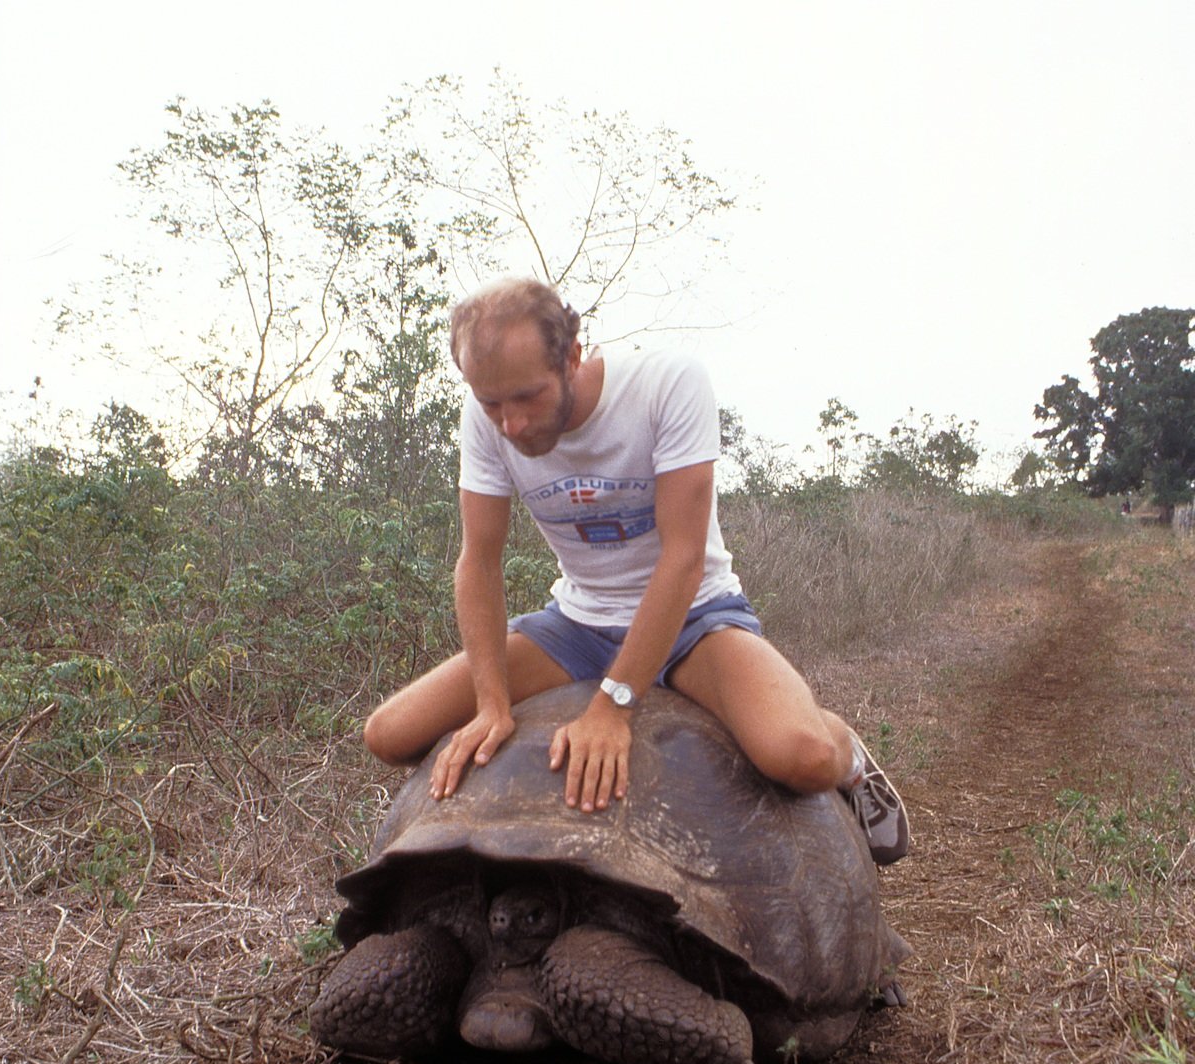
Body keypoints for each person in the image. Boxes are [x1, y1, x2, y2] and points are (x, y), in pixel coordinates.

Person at [363, 277, 909, 865]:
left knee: (801, 758)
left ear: (572, 357)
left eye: (527, 397)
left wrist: (612, 705)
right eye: (492, 403)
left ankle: (845, 745)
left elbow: (683, 559)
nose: (511, 424)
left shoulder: (665, 385)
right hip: (576, 625)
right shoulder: (487, 416)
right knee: (391, 733)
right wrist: (493, 703)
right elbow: (478, 562)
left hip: (694, 618)